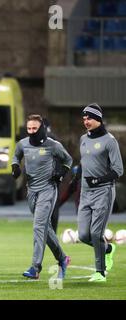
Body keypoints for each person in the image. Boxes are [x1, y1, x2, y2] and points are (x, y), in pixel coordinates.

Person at [12, 114, 72, 280]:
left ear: (41, 129)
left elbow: (68, 160)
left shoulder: (53, 145)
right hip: (31, 191)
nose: (31, 132)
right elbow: (16, 155)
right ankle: (62, 258)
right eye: (29, 129)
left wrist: (60, 174)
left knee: (38, 227)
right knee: (45, 228)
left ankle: (35, 267)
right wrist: (15, 166)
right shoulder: (23, 143)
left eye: (34, 129)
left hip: (48, 190)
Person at [77, 103, 123, 282]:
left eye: (89, 118)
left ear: (98, 119)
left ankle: (100, 272)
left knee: (96, 234)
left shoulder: (109, 141)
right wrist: (76, 175)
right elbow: (85, 162)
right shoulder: (83, 139)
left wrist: (97, 180)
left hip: (103, 192)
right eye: (84, 118)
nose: (86, 121)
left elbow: (118, 170)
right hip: (85, 193)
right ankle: (108, 249)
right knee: (82, 235)